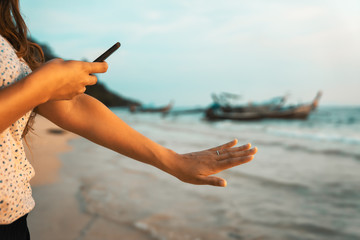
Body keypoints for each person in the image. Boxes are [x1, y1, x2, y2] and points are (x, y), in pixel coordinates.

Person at [0, 0, 257, 239]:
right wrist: (41, 85)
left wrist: (173, 160)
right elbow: (38, 93)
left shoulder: (5, 37)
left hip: (14, 215)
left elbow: (68, 107)